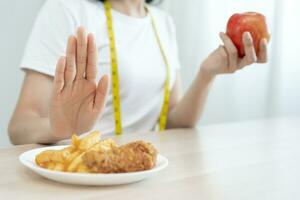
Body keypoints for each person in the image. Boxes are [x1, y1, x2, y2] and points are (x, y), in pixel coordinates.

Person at [8, 0, 268, 144]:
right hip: (78, 176)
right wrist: (59, 128)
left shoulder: (162, 21)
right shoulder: (65, 10)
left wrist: (206, 74)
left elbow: (173, 122)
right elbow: (19, 127)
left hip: (139, 173)